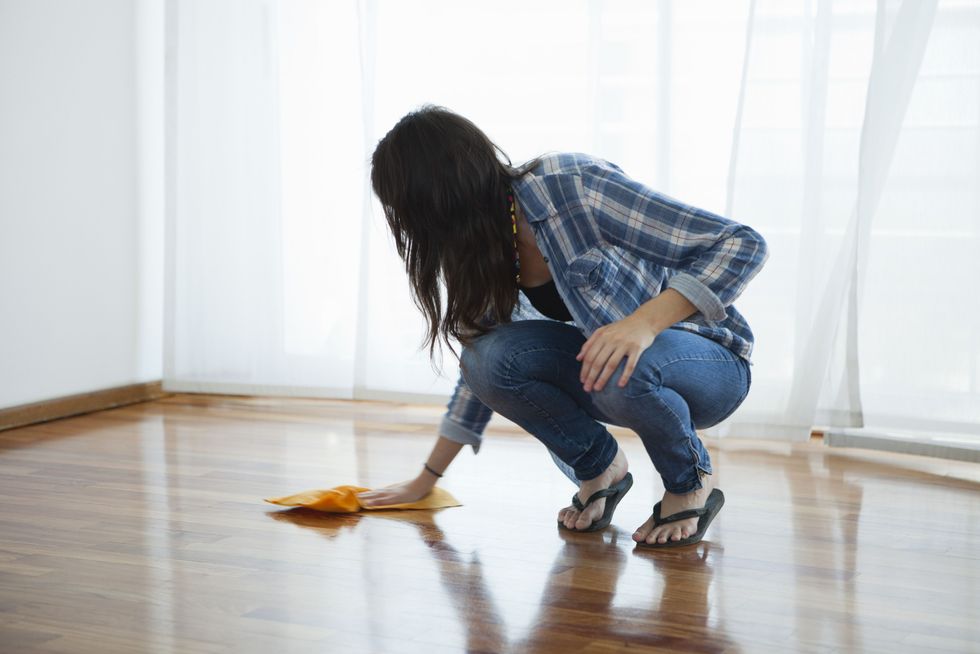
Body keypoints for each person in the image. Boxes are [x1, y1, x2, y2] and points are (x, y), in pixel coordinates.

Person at [358, 105, 768, 548]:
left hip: (708, 360)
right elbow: (484, 376)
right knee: (486, 356)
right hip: (614, 375)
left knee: (622, 354)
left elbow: (741, 244)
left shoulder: (570, 186)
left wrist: (642, 324)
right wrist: (426, 479)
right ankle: (600, 470)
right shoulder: (479, 254)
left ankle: (689, 484)